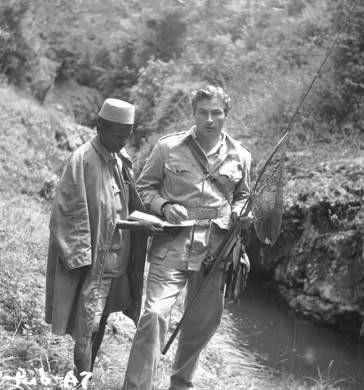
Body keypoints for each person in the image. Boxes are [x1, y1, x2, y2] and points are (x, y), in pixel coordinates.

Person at [123, 85, 252, 390]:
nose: (209, 119)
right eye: (203, 112)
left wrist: (241, 214)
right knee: (154, 314)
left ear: (225, 115)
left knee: (200, 324)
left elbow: (243, 195)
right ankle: (137, 386)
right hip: (171, 245)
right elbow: (144, 188)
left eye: (216, 113)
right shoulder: (168, 147)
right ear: (193, 113)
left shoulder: (241, 156)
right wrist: (165, 206)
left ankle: (181, 383)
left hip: (217, 251)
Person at [45, 98, 162, 387]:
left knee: (101, 321)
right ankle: (82, 380)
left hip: (117, 264)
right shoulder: (82, 160)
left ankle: (86, 373)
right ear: (99, 128)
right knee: (87, 325)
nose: (122, 142)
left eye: (127, 135)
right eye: (116, 135)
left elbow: (124, 206)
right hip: (94, 262)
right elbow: (69, 214)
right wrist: (131, 225)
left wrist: (150, 221)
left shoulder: (119, 160)